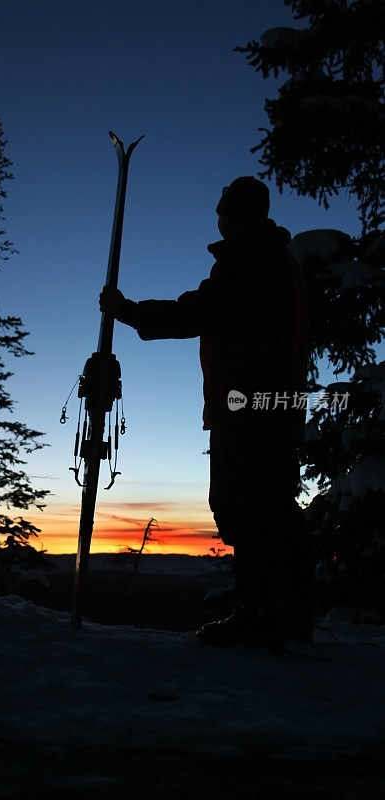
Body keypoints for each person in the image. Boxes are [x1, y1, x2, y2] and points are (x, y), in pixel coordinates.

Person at [100, 176, 314, 650]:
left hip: (247, 407)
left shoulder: (250, 261)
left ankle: (260, 616)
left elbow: (197, 312)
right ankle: (291, 615)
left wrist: (129, 311)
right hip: (276, 404)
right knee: (274, 505)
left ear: (240, 214)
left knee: (245, 505)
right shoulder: (282, 263)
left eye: (224, 210)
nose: (220, 218)